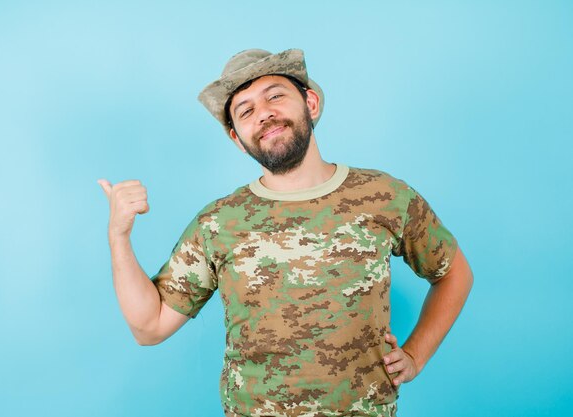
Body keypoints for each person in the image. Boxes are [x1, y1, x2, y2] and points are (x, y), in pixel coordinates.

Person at [98, 48, 473, 417]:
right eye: (245, 111)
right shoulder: (218, 222)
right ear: (236, 138)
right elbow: (150, 326)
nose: (263, 114)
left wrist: (415, 355)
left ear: (310, 103)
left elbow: (454, 273)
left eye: (274, 95)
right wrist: (119, 236)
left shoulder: (385, 196)